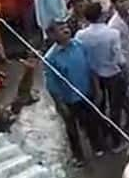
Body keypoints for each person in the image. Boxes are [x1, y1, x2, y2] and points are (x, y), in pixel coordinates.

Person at [43, 20, 105, 165]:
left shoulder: (80, 45)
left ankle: (97, 146)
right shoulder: (50, 58)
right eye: (60, 29)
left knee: (91, 122)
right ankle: (78, 156)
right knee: (72, 129)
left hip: (87, 93)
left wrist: (97, 88)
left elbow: (91, 69)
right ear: (52, 35)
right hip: (69, 100)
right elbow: (52, 86)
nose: (66, 30)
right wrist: (60, 105)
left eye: (66, 27)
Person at [74, 1, 126, 152]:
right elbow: (118, 58)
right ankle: (117, 141)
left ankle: (103, 135)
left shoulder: (81, 35)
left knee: (99, 107)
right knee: (115, 108)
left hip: (93, 75)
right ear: (102, 15)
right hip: (112, 73)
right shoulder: (112, 33)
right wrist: (124, 68)